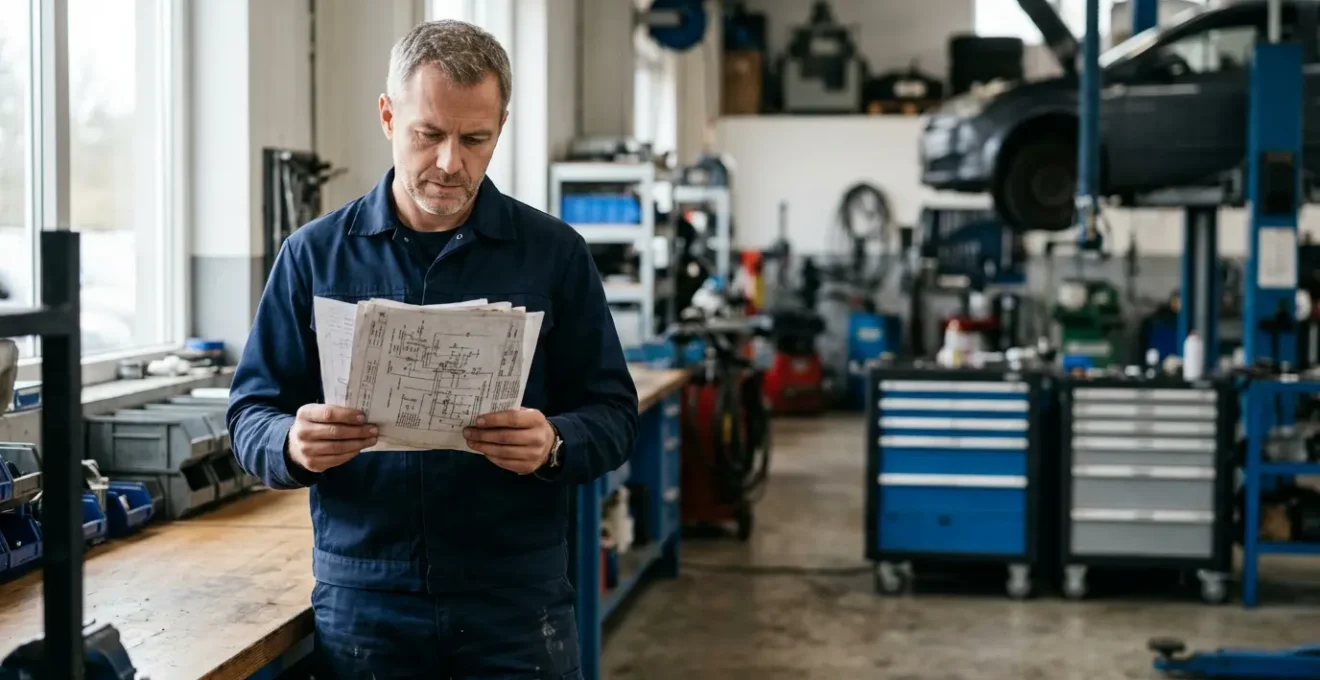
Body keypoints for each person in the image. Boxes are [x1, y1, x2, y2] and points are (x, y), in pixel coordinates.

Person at [226, 19, 638, 679]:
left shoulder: (553, 255)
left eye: (475, 139)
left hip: (514, 599)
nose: (451, 163)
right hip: (367, 597)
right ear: (389, 117)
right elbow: (250, 411)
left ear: (500, 127)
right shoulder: (314, 257)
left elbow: (615, 412)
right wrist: (290, 444)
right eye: (429, 134)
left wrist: (555, 443)